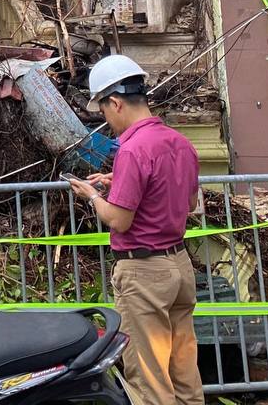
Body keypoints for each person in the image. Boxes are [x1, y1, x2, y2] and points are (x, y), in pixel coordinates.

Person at [67, 55, 203, 405]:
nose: (106, 120)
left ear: (115, 102)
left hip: (145, 275)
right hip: (179, 268)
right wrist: (120, 180)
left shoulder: (132, 149)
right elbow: (188, 204)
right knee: (184, 371)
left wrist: (93, 194)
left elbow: (119, 219)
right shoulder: (179, 143)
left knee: (148, 378)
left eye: (104, 110)